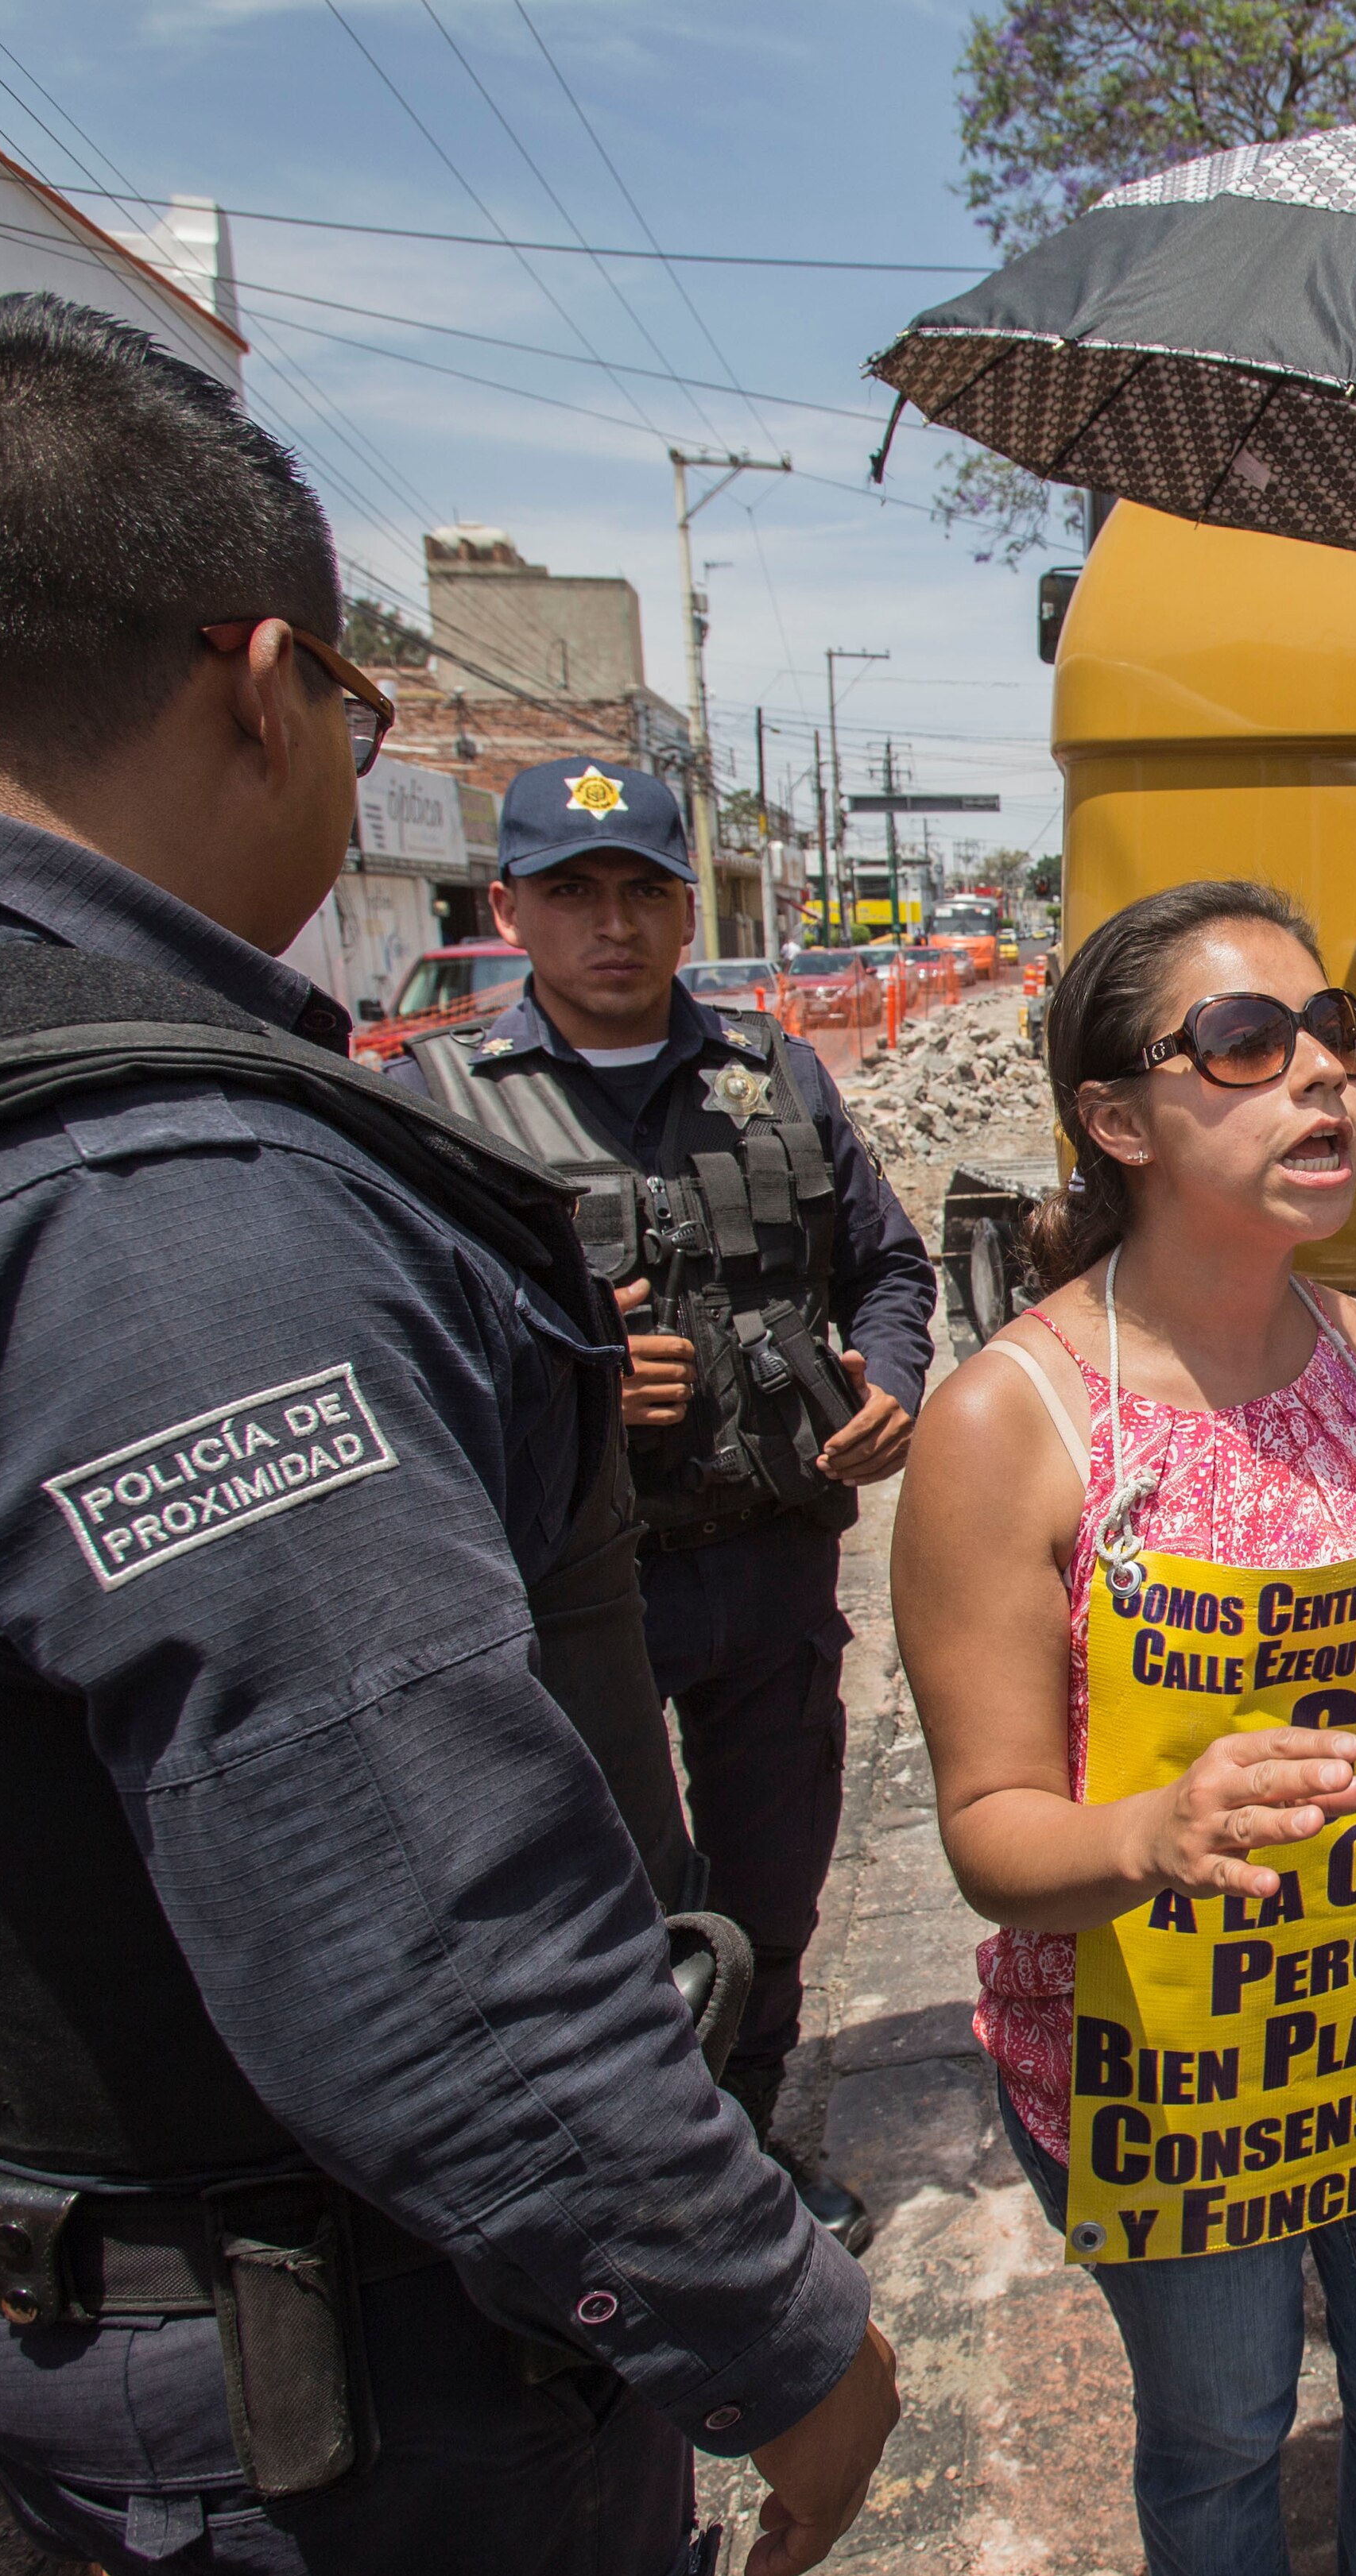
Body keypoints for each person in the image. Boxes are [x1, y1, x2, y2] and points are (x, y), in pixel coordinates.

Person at [0, 296, 893, 2576]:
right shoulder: (158, 1211)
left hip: (3, 2218)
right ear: (265, 679)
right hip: (336, 2354)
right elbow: (428, 1935)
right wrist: (770, 2331)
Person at [899, 881, 1356, 2576]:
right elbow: (988, 1827)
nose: (1321, 1074)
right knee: (1218, 2435)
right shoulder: (1008, 1423)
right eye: (1246, 1045)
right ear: (1117, 1119)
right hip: (1165, 2068)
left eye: (1329, 1030)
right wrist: (1151, 1828)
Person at [385, 756, 934, 2249]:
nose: (611, 925)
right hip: (568, 1588)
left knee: (773, 1871)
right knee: (607, 1896)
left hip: (765, 1566)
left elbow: (888, 1264)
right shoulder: (431, 1106)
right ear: (509, 910)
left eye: (641, 889)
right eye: (572, 893)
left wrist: (889, 1377)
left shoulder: (780, 1074)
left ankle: (748, 2145)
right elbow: (377, 1355)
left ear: (688, 907)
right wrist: (552, 1374)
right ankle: (650, 2180)